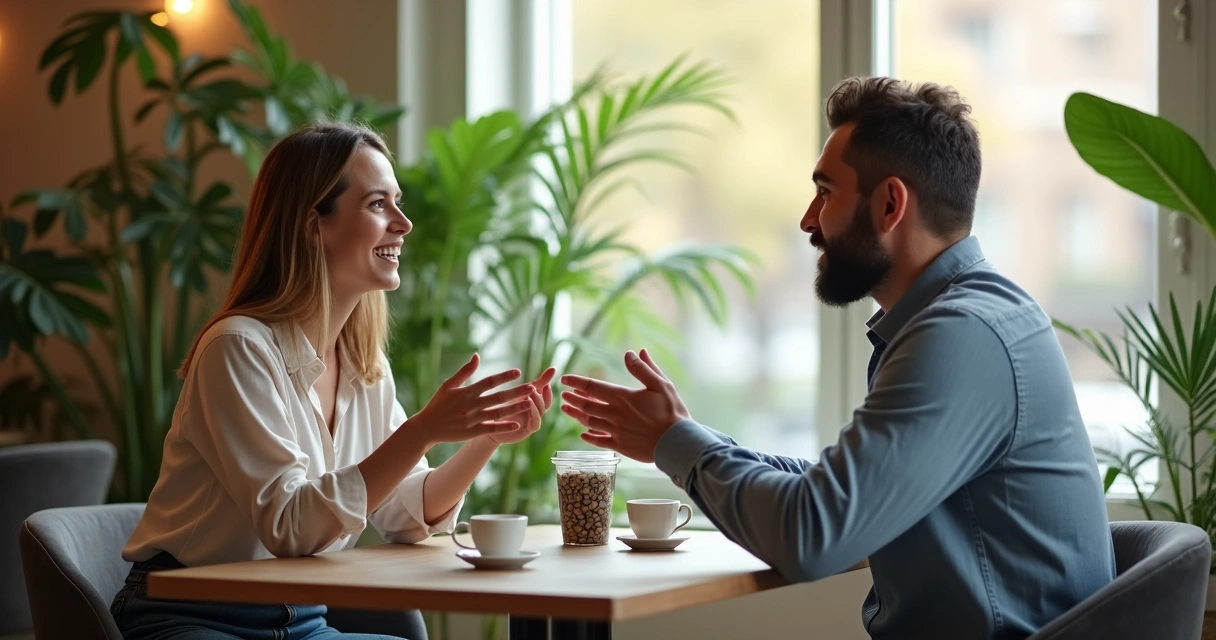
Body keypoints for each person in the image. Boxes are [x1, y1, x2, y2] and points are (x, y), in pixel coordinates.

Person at [558, 77, 1115, 639]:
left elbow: (812, 536)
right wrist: (681, 434)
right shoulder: (971, 319)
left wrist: (674, 444)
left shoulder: (961, 336)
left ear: (891, 204)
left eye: (826, 192)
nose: (808, 219)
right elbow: (838, 494)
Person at [111, 122, 554, 640]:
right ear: (312, 226)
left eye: (397, 201)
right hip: (191, 616)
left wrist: (485, 438)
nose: (404, 223)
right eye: (377, 205)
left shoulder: (365, 365)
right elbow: (290, 526)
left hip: (301, 622)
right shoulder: (237, 349)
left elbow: (406, 513)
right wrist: (422, 430)